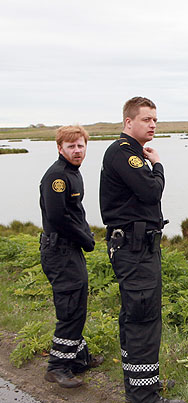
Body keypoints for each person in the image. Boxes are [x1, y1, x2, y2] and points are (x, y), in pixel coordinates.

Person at [99, 97, 185, 403]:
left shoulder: (131, 153)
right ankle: (145, 400)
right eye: (146, 119)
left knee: (138, 317)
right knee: (143, 318)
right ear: (128, 122)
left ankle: (142, 385)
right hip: (134, 251)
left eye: (155, 120)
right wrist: (158, 165)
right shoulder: (123, 153)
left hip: (139, 248)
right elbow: (151, 192)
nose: (152, 125)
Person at [39, 125, 104, 388]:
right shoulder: (57, 176)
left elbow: (75, 212)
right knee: (69, 308)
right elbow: (57, 217)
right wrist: (85, 239)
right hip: (59, 250)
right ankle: (57, 367)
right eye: (71, 146)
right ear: (59, 148)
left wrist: (84, 235)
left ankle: (78, 358)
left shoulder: (73, 173)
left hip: (69, 249)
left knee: (77, 303)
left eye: (80, 145)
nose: (77, 151)